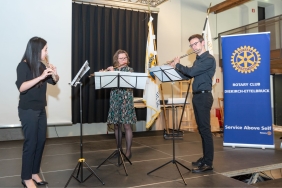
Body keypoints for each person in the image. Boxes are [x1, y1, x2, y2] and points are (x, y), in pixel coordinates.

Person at [16, 37, 59, 188]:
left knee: (40, 142)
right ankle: (26, 177)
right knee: (31, 142)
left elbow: (53, 81)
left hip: (40, 109)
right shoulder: (23, 66)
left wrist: (55, 73)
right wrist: (40, 77)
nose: (47, 52)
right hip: (28, 110)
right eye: (45, 49)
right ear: (36, 50)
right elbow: (22, 87)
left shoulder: (40, 65)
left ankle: (34, 172)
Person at [170, 34, 216, 173]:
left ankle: (208, 162)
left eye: (195, 44)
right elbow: (188, 75)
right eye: (191, 45)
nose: (194, 47)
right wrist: (173, 69)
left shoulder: (209, 59)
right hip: (197, 97)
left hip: (204, 97)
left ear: (202, 43)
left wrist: (178, 64)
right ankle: (205, 158)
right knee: (202, 130)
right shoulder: (198, 60)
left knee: (205, 130)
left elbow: (192, 71)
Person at [104, 49, 137, 159]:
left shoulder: (130, 70)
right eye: (121, 58)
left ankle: (128, 151)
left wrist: (113, 71)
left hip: (126, 99)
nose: (123, 60)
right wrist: (105, 73)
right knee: (117, 125)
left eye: (125, 58)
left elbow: (126, 81)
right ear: (116, 60)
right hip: (115, 98)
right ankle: (119, 149)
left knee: (127, 125)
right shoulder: (114, 70)